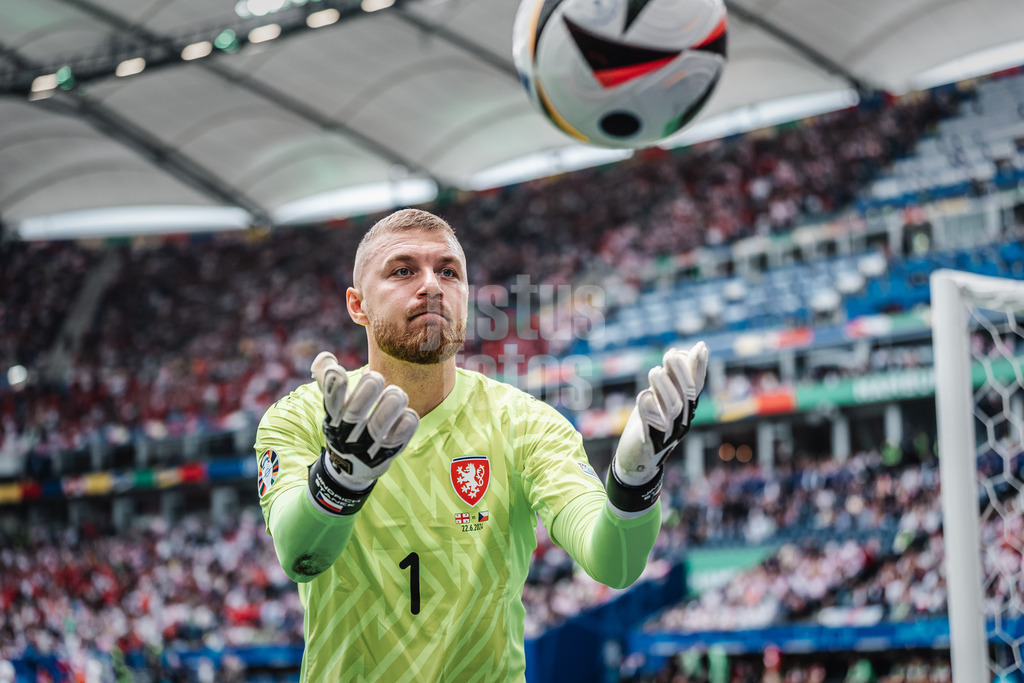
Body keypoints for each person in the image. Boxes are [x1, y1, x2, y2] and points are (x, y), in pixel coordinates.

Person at [254, 208, 708, 681]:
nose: (431, 284)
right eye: (403, 270)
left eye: (448, 271)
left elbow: (613, 562)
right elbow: (299, 555)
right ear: (357, 304)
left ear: (466, 296)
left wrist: (636, 480)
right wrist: (340, 477)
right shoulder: (301, 418)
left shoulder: (524, 423)